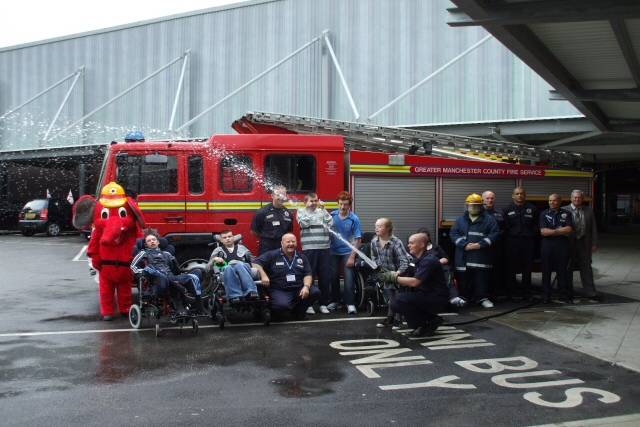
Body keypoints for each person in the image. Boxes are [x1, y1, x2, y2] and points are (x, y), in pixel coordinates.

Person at [381, 233, 450, 337]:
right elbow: (406, 274)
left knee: (400, 300)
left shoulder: (429, 260)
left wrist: (393, 278)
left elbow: (415, 281)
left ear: (422, 244)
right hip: (424, 295)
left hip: (436, 298)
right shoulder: (415, 260)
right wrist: (389, 274)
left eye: (411, 243)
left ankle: (424, 324)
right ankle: (429, 320)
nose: (408, 245)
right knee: (395, 302)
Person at [131, 228, 203, 315]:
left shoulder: (167, 254)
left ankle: (198, 305)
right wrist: (143, 271)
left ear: (158, 242)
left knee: (196, 273)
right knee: (158, 274)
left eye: (154, 240)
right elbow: (133, 266)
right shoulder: (143, 253)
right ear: (146, 244)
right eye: (149, 241)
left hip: (170, 277)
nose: (152, 242)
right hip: (156, 280)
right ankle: (181, 297)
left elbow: (177, 270)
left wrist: (183, 272)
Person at [450, 193, 500, 308]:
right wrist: (465, 245)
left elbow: (494, 234)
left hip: (481, 255)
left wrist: (479, 245)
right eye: (471, 205)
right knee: (463, 279)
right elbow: (453, 234)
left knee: (481, 279)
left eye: (476, 205)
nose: (473, 207)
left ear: (481, 206)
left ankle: (482, 298)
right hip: (464, 256)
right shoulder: (460, 220)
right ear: (466, 206)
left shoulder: (489, 220)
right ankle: (463, 298)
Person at [254, 233, 320, 318]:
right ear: (282, 243)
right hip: (280, 289)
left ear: (296, 243)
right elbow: (255, 263)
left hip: (298, 288)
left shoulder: (302, 257)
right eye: (288, 242)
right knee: (282, 306)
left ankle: (298, 312)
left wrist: (306, 287)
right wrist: (263, 275)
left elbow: (308, 274)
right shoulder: (272, 255)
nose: (291, 244)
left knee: (315, 292)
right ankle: (271, 308)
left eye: (293, 241)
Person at [297, 192, 334, 315]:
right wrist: (312, 214)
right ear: (305, 202)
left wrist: (323, 210)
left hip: (324, 247)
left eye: (316, 201)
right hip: (309, 248)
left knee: (325, 277)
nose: (314, 203)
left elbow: (330, 223)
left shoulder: (322, 211)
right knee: (309, 276)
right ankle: (309, 304)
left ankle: (324, 304)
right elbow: (304, 224)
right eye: (311, 201)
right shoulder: (301, 212)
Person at [371, 218, 410, 328]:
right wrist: (377, 266)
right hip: (386, 273)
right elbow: (374, 257)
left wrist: (398, 273)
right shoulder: (374, 241)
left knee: (397, 295)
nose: (376, 228)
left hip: (399, 273)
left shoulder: (396, 242)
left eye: (380, 226)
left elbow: (404, 260)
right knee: (390, 295)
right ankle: (391, 317)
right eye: (376, 226)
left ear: (388, 229)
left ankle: (397, 318)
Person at [329, 191, 363, 314]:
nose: (343, 207)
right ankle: (335, 301)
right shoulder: (331, 216)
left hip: (348, 252)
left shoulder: (354, 219)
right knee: (333, 277)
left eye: (346, 204)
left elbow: (358, 240)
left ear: (350, 205)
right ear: (337, 203)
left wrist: (352, 257)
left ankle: (350, 303)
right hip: (333, 252)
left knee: (349, 278)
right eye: (341, 204)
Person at [562, 189, 600, 300]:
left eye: (579, 197)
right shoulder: (564, 210)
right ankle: (568, 291)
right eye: (575, 197)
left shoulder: (589, 210)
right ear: (571, 198)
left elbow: (594, 228)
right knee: (568, 267)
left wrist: (594, 243)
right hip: (569, 244)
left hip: (584, 243)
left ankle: (590, 292)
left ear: (582, 199)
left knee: (586, 267)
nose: (577, 199)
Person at [502, 187, 538, 300]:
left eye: (522, 193)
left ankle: (526, 293)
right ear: (513, 196)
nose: (519, 196)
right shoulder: (506, 209)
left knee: (527, 268)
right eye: (517, 194)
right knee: (510, 268)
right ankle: (511, 293)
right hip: (512, 242)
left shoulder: (532, 209)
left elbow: (536, 225)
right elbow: (505, 226)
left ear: (525, 195)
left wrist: (531, 234)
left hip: (528, 242)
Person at [207, 230, 258, 303]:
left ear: (233, 238)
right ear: (221, 240)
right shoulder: (218, 250)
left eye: (229, 236)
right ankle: (235, 295)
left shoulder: (242, 248)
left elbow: (254, 261)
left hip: (242, 268)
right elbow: (207, 269)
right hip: (227, 270)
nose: (227, 239)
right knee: (228, 267)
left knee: (238, 264)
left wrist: (262, 272)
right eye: (224, 237)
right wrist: (214, 260)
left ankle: (251, 291)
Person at [418, 228, 465, 307]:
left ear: (429, 237)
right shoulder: (417, 248)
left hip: (439, 268)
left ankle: (454, 297)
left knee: (447, 271)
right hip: (425, 269)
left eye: (425, 237)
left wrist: (436, 262)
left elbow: (445, 259)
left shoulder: (436, 247)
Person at [540, 194, 574, 303]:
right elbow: (543, 232)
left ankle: (563, 295)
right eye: (550, 200)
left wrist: (553, 231)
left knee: (562, 271)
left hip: (562, 246)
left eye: (554, 200)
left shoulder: (567, 213)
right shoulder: (543, 213)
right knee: (546, 271)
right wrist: (559, 231)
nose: (552, 202)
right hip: (547, 246)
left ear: (560, 201)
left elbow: (569, 229)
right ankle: (546, 296)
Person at [251, 185, 293, 255]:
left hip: (282, 247)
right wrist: (267, 238)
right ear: (272, 196)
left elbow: (289, 232)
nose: (281, 197)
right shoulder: (262, 212)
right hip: (267, 247)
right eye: (278, 195)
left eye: (283, 195)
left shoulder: (288, 213)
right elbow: (254, 231)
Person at [482, 190, 507, 299]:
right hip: (483, 248)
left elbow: (505, 228)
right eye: (487, 198)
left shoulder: (500, 213)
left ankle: (495, 294)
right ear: (482, 199)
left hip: (497, 247)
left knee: (496, 271)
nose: (490, 200)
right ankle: (483, 294)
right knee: (483, 271)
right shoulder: (478, 213)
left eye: (492, 198)